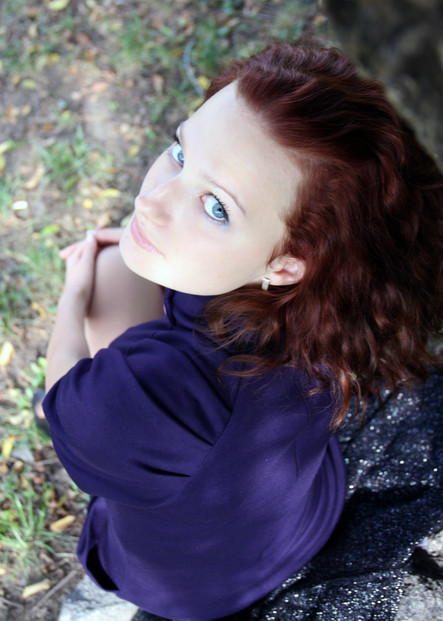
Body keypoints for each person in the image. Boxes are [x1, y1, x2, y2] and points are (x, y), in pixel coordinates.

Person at [40, 41, 443, 621]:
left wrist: (73, 294)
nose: (150, 202)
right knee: (120, 263)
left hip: (194, 582)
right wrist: (157, 237)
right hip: (302, 513)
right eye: (181, 152)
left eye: (217, 208)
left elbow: (59, 397)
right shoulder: (331, 305)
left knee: (104, 271)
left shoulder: (158, 397)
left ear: (285, 264)